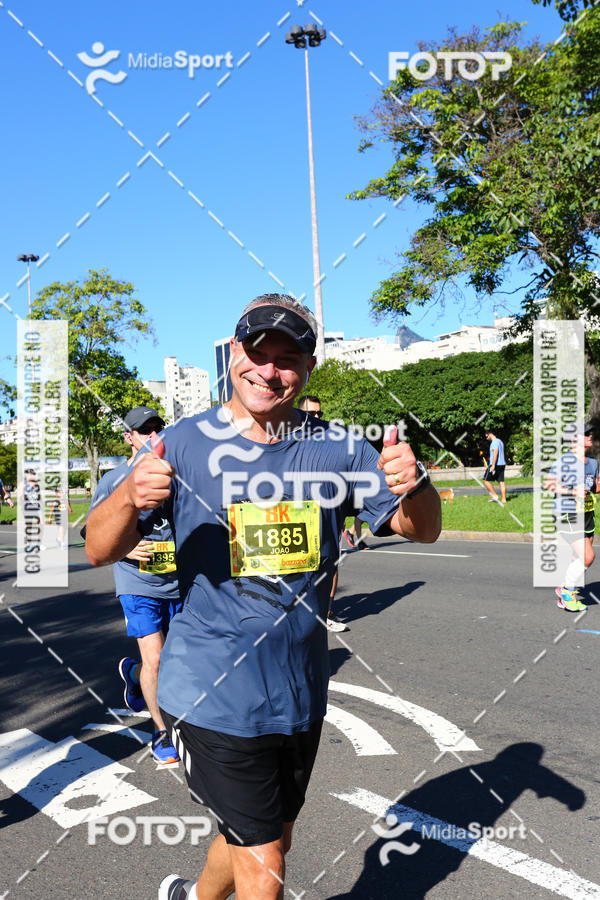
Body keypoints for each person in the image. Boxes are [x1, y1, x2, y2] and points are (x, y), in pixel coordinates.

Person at [85, 293, 441, 900]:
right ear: (233, 355)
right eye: (257, 353)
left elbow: (420, 528)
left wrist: (418, 483)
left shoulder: (339, 448)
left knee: (270, 834)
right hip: (211, 691)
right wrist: (127, 499)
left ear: (307, 369)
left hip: (299, 689)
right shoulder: (180, 445)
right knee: (266, 859)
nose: (268, 370)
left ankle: (193, 897)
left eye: (287, 358)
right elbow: (98, 548)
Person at [87, 406, 182, 767]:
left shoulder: (177, 475)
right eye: (144, 431)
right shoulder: (114, 480)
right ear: (128, 437)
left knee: (173, 660)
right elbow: (94, 536)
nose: (152, 437)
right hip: (137, 583)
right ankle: (161, 732)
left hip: (178, 582)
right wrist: (125, 547)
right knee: (155, 659)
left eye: (157, 429)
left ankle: (132, 674)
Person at [297, 394, 348, 633]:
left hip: (327, 514)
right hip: (298, 517)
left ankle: (327, 611)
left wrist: (342, 514)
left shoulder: (330, 443)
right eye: (310, 414)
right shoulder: (289, 441)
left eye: (319, 413)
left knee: (331, 564)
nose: (316, 417)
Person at [545, 420, 599, 612]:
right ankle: (567, 594)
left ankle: (565, 587)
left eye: (590, 433)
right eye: (586, 434)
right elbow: (549, 484)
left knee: (579, 556)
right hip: (566, 513)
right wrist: (572, 491)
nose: (590, 436)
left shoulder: (592, 462)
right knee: (588, 557)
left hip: (586, 513)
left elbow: (595, 486)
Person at [482, 430, 507, 504]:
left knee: (485, 480)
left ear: (489, 434)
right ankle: (504, 499)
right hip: (502, 464)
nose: (486, 438)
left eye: (486, 436)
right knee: (501, 482)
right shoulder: (500, 441)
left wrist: (493, 465)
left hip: (495, 464)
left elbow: (495, 452)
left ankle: (495, 496)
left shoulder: (494, 442)